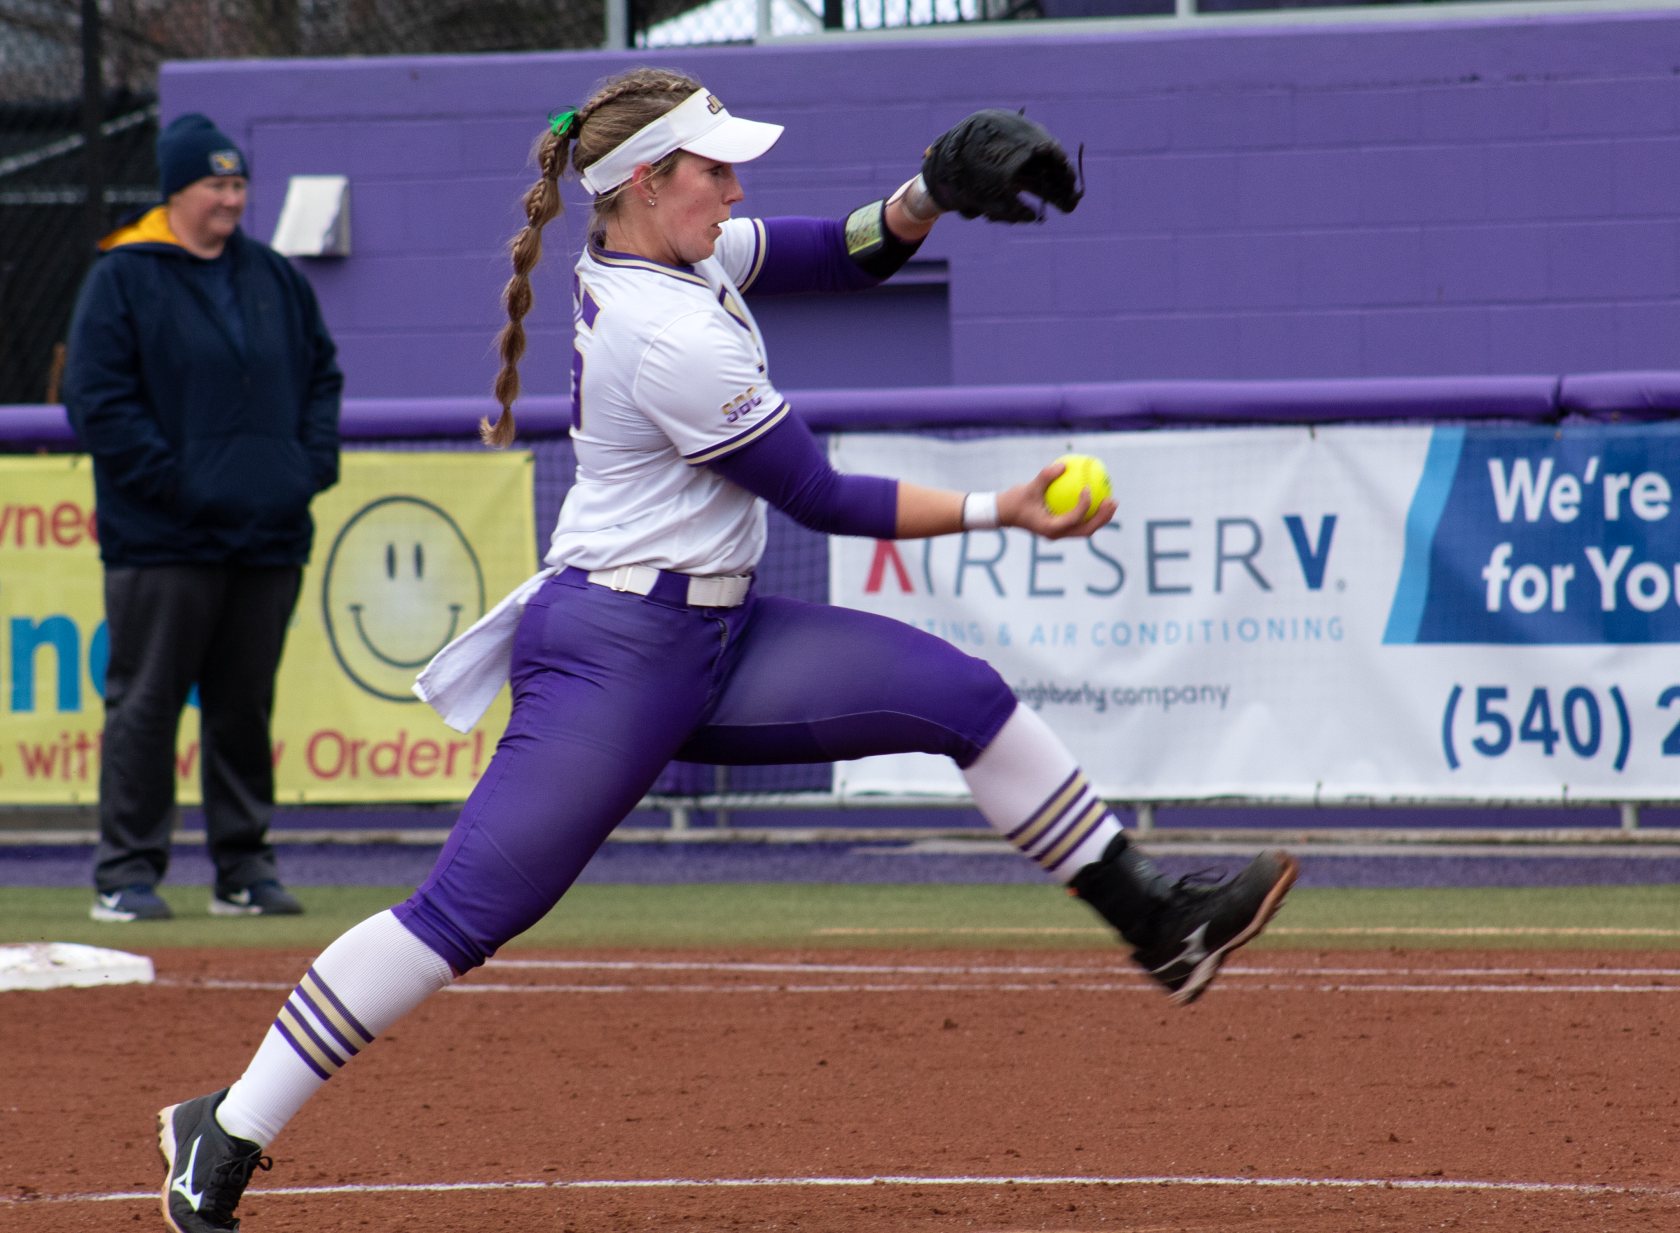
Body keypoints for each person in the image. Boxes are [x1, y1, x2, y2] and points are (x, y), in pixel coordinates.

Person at [151, 70, 1296, 1233]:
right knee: (460, 917)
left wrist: (929, 193)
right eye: (714, 170)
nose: (735, 187)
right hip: (614, 651)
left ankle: (1157, 920)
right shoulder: (664, 332)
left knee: (967, 698)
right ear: (646, 185)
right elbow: (822, 495)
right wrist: (1008, 508)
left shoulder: (679, 251)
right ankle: (228, 1131)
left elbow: (838, 252)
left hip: (720, 629)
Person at [64, 113, 342, 924]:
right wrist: (178, 485)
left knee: (243, 706)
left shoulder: (273, 275)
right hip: (163, 539)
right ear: (177, 191)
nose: (231, 199)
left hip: (267, 534)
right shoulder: (123, 275)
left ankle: (243, 868)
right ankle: (126, 872)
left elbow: (323, 376)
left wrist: (305, 467)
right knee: (147, 704)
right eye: (215, 185)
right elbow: (99, 402)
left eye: (238, 183)